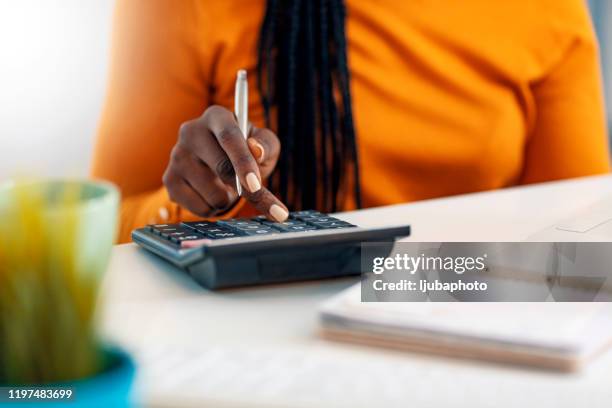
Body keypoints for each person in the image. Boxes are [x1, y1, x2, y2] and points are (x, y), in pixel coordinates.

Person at [93, 0, 610, 243]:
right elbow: (97, 233)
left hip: (463, 313)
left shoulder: (547, 10)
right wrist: (191, 204)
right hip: (253, 340)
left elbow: (578, 244)